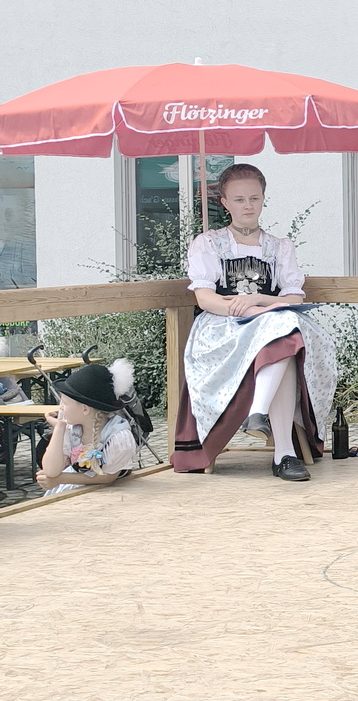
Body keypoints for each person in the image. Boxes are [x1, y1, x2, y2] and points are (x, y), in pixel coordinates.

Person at [171, 163, 337, 481]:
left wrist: (259, 301)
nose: (247, 206)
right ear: (225, 203)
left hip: (271, 322)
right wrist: (246, 311)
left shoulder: (279, 247)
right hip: (223, 326)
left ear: (263, 199)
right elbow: (205, 299)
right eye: (239, 199)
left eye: (254, 198)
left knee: (285, 333)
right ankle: (283, 453)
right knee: (284, 336)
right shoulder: (208, 243)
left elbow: (293, 297)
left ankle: (259, 416)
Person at [35, 361, 138, 496]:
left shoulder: (118, 437)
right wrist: (59, 428)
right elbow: (50, 471)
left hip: (109, 493)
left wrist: (60, 479)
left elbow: (107, 477)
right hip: (75, 490)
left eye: (65, 403)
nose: (61, 407)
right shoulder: (70, 428)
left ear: (85, 409)